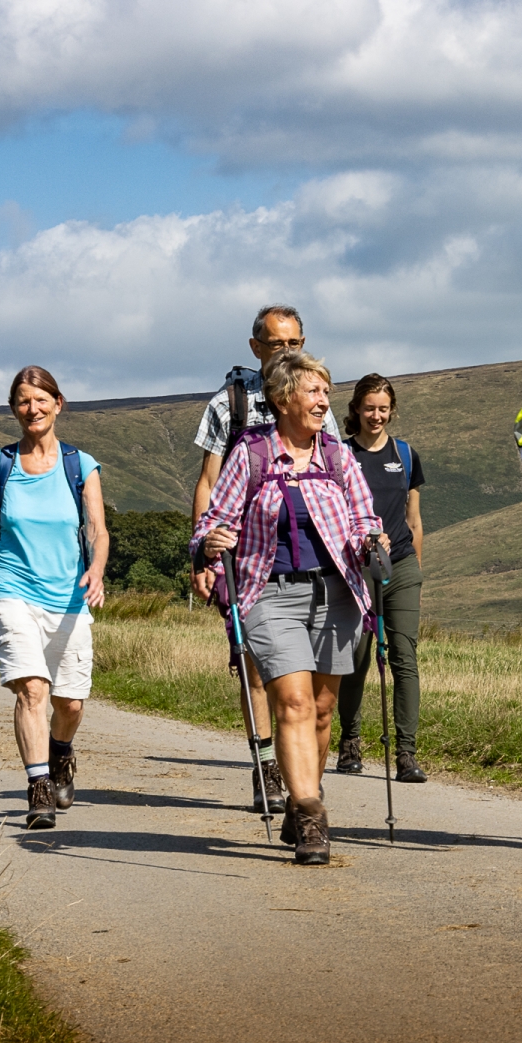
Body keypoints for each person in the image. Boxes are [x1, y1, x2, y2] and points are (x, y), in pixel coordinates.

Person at [191, 351, 385, 866]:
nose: (324, 400)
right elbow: (215, 516)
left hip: (336, 594)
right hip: (268, 592)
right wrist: (210, 541)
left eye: (326, 391)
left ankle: (301, 805)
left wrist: (372, 541)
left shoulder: (338, 457)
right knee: (294, 704)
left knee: (323, 711)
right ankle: (311, 813)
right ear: (282, 399)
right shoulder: (251, 454)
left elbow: (364, 515)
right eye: (314, 391)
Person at [190, 305, 342, 815]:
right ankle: (267, 769)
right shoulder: (230, 403)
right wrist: (203, 553)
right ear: (256, 348)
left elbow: (337, 476)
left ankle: (297, 781)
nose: (288, 351)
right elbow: (209, 483)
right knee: (256, 669)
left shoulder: (317, 399)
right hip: (248, 558)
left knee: (308, 691)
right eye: (277, 344)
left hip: (312, 563)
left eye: (295, 342)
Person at [0, 365, 110, 832]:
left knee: (69, 703)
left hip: (68, 597)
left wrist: (97, 570)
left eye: (41, 400)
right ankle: (39, 787)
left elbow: (98, 530)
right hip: (13, 590)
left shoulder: (80, 465)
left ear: (58, 404)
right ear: (13, 409)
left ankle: (60, 751)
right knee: (32, 690)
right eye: (24, 401)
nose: (33, 409)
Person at [334, 374, 429, 782]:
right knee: (355, 661)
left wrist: (416, 569)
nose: (376, 415)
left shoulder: (405, 455)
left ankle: (406, 753)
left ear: (392, 411)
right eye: (369, 408)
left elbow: (414, 519)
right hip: (356, 567)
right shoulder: (338, 455)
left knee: (404, 659)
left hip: (401, 566)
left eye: (383, 409)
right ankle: (350, 743)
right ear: (356, 409)